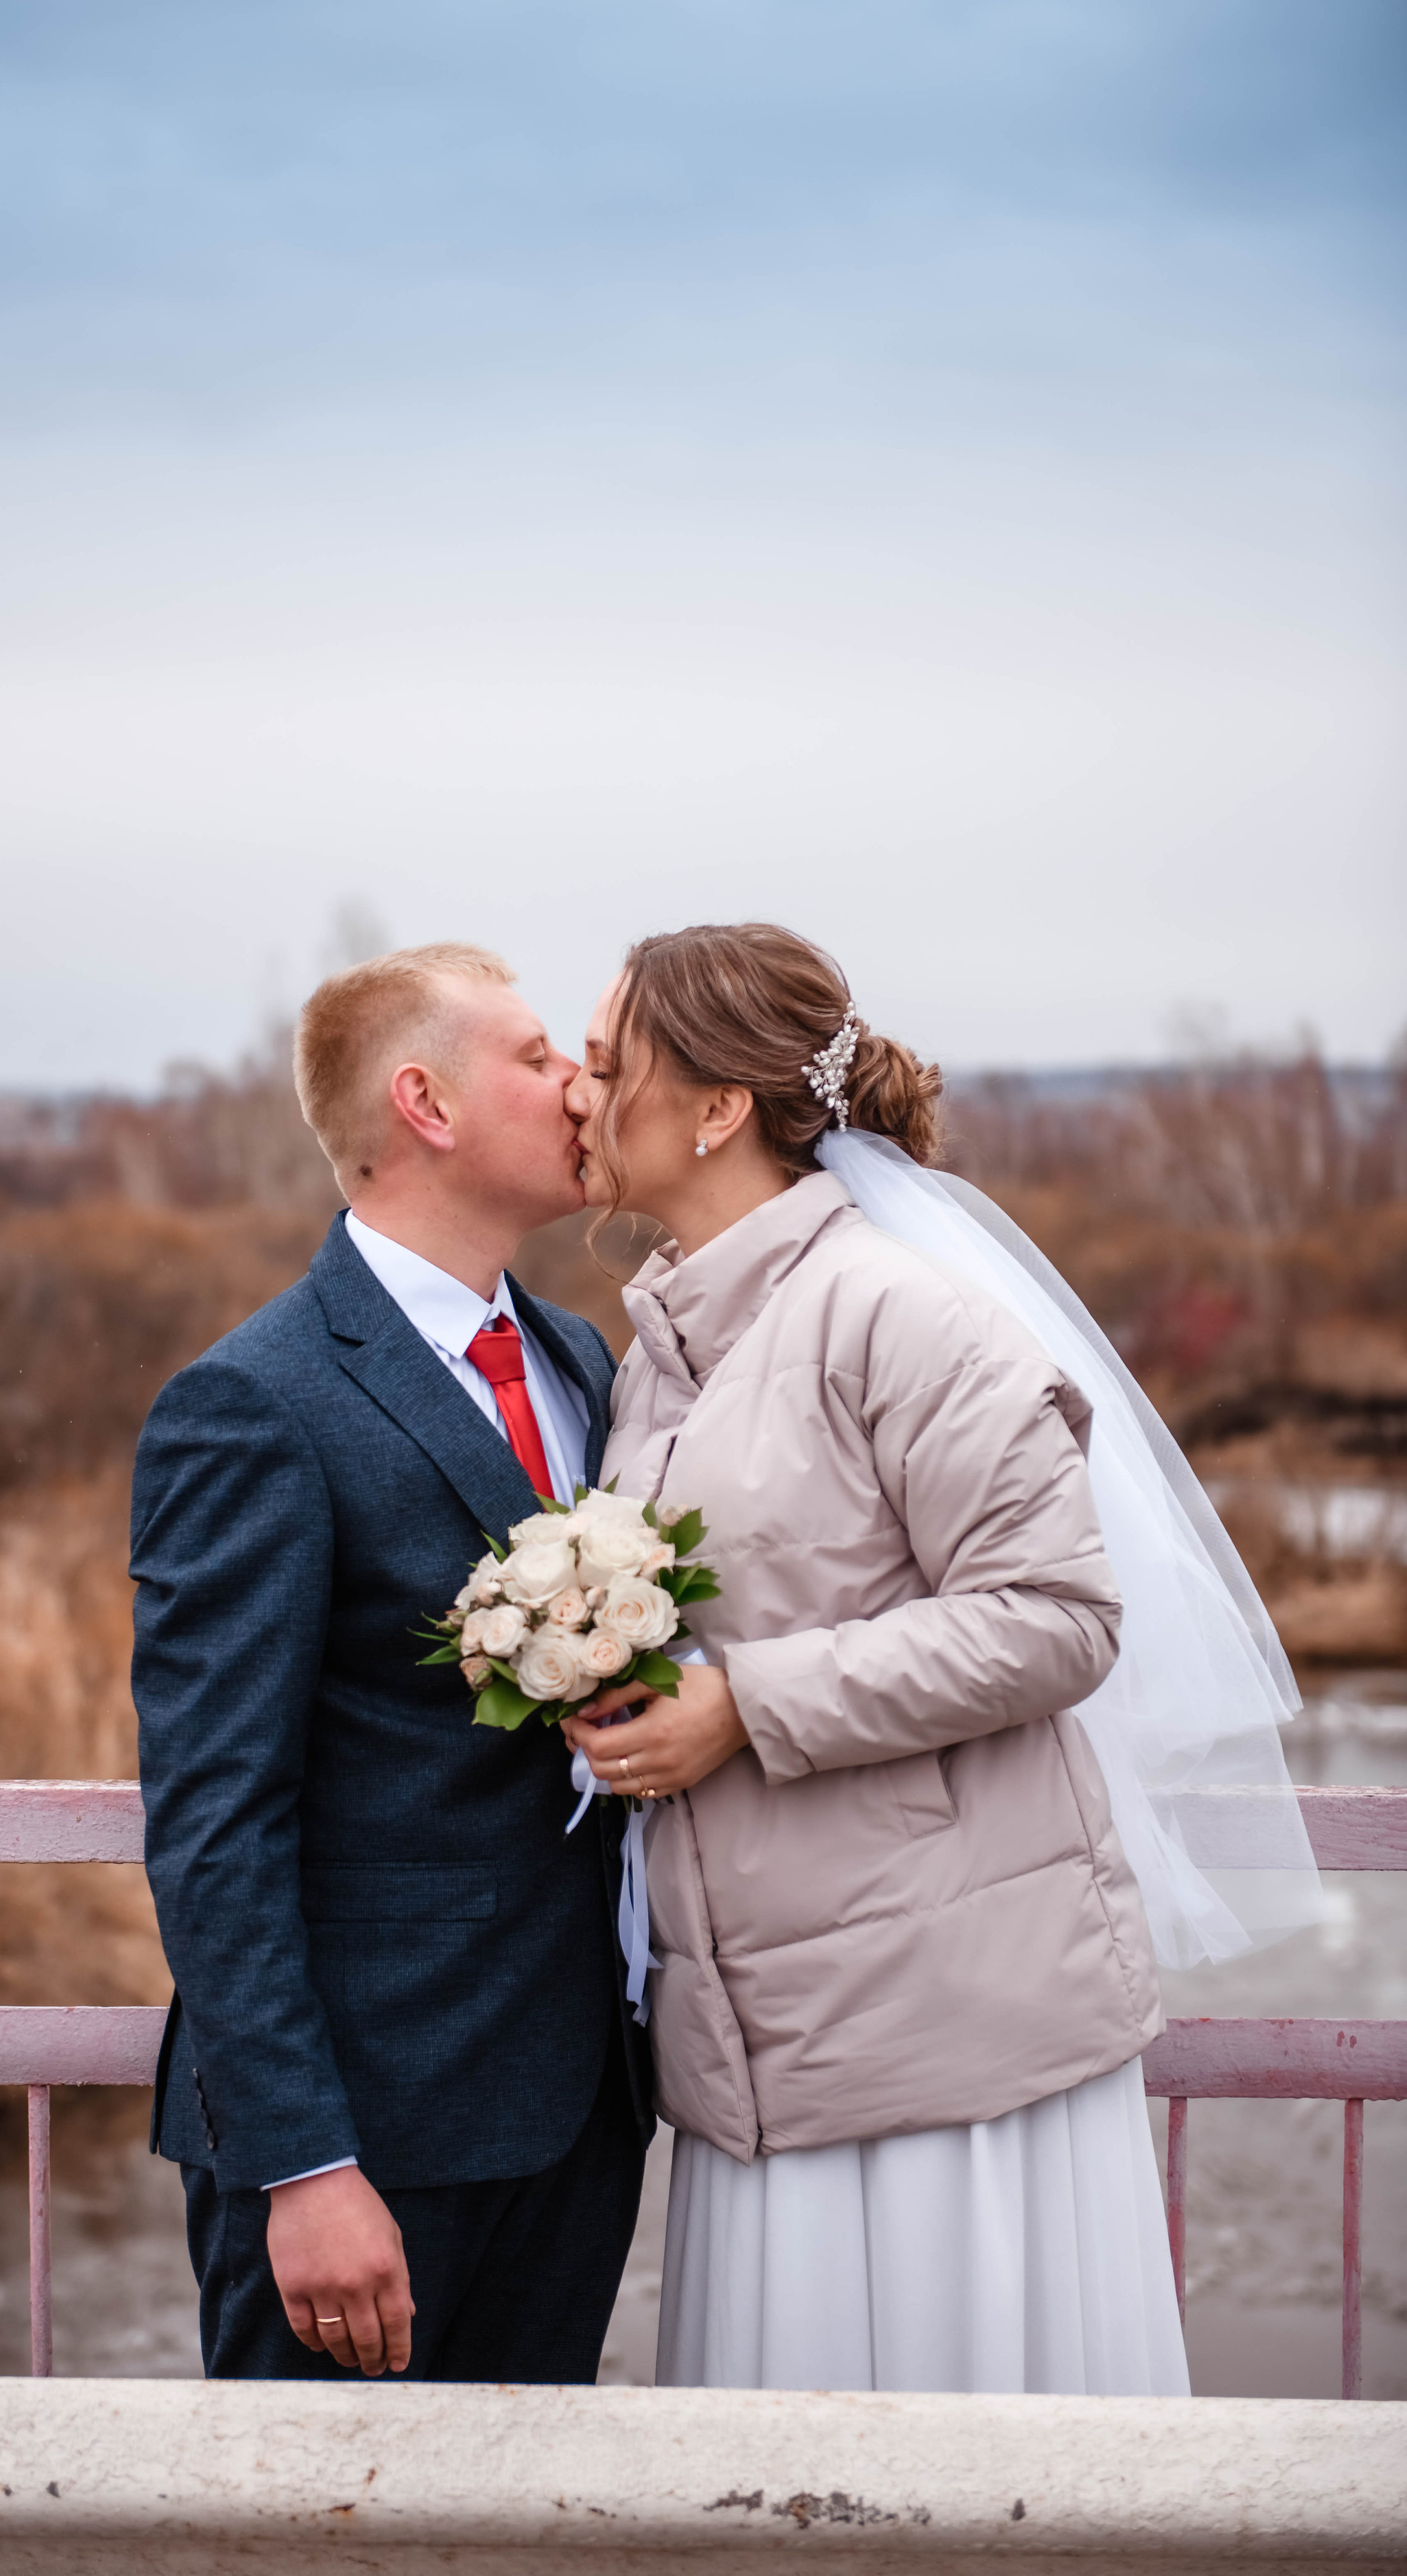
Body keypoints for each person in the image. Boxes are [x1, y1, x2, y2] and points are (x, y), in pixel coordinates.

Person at [562, 920, 1190, 2396]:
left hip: (943, 2041)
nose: (577, 1098)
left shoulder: (898, 1315)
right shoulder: (658, 1346)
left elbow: (1055, 1615)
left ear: (716, 1108)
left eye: (605, 1064)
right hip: (761, 2042)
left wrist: (740, 1708)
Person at [132, 942, 651, 2383]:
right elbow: (215, 1818)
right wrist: (301, 2165)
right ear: (422, 1102)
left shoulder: (580, 1361)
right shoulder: (252, 1403)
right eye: (540, 1058)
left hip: (576, 2107)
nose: (577, 1088)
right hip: (362, 2143)